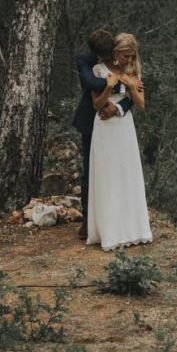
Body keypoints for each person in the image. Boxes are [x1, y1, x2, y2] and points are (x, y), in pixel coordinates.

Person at [87, 33, 152, 251]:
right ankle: (110, 230)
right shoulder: (99, 71)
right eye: (126, 56)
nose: (129, 61)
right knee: (108, 176)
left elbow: (141, 104)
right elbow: (96, 104)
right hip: (104, 128)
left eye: (132, 57)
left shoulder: (133, 71)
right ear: (115, 54)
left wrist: (130, 88)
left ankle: (133, 229)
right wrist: (109, 87)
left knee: (127, 173)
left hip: (124, 127)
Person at [73, 29, 133, 241]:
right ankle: (89, 220)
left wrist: (119, 107)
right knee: (91, 170)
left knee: (117, 170)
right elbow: (92, 83)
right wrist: (117, 80)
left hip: (115, 123)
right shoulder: (86, 61)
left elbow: (132, 96)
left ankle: (118, 217)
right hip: (91, 121)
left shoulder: (123, 63)